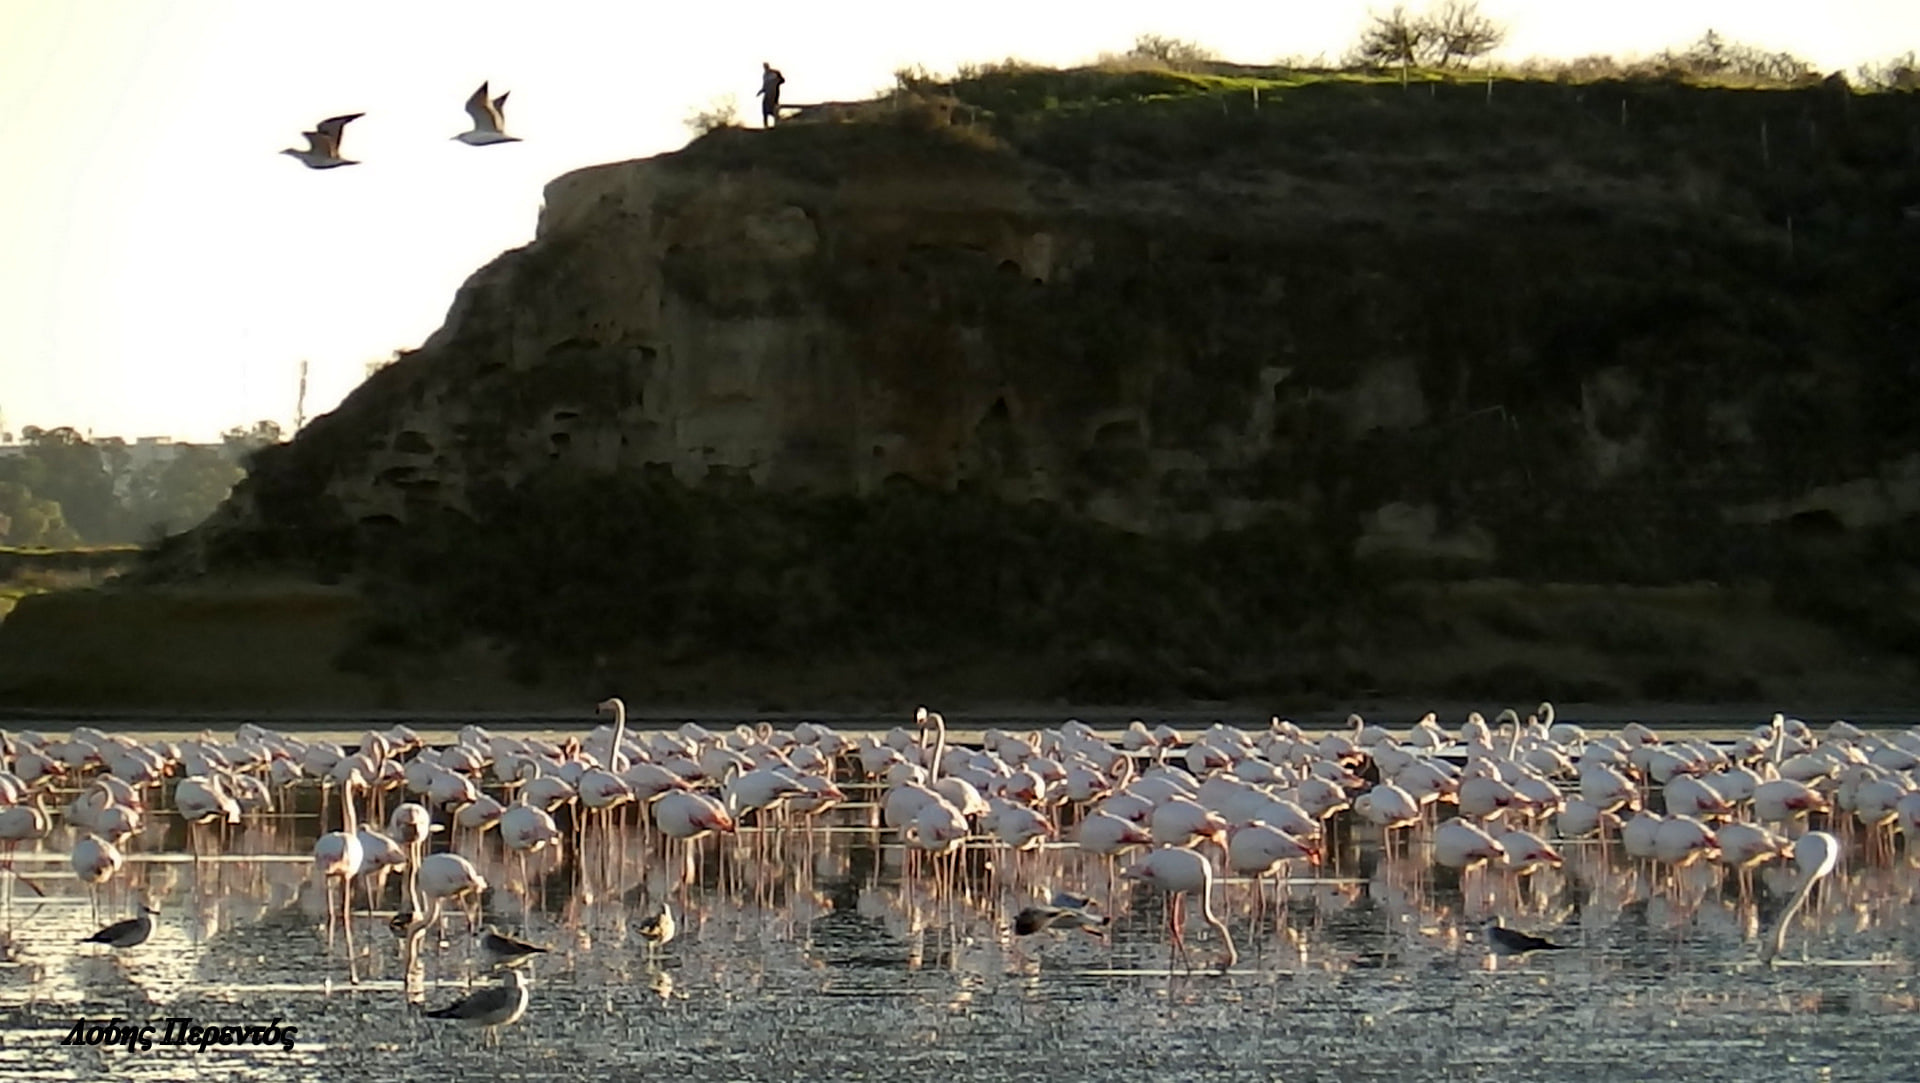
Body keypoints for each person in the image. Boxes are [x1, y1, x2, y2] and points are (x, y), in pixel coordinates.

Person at [757, 62, 785, 128]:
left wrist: (776, 82)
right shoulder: (765, 75)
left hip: (774, 93)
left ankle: (778, 122)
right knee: (764, 108)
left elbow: (782, 80)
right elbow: (764, 86)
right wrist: (760, 91)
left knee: (774, 108)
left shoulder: (774, 73)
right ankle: (766, 125)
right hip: (767, 94)